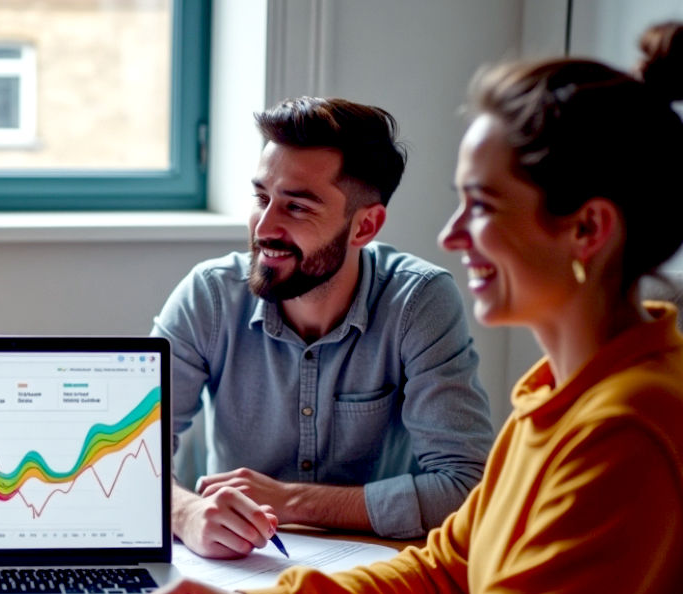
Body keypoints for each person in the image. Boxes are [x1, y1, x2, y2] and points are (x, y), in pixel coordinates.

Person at [117, 44, 683, 594]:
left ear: (587, 230)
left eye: (480, 206)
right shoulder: (557, 397)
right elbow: (444, 575)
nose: (450, 236)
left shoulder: (631, 426)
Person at [152, 97, 494, 558]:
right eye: (261, 198)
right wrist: (186, 514)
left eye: (297, 208)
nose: (264, 226)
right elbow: (126, 458)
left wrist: (292, 502)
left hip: (381, 572)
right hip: (238, 566)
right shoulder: (209, 296)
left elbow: (466, 487)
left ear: (364, 227)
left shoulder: (418, 301)